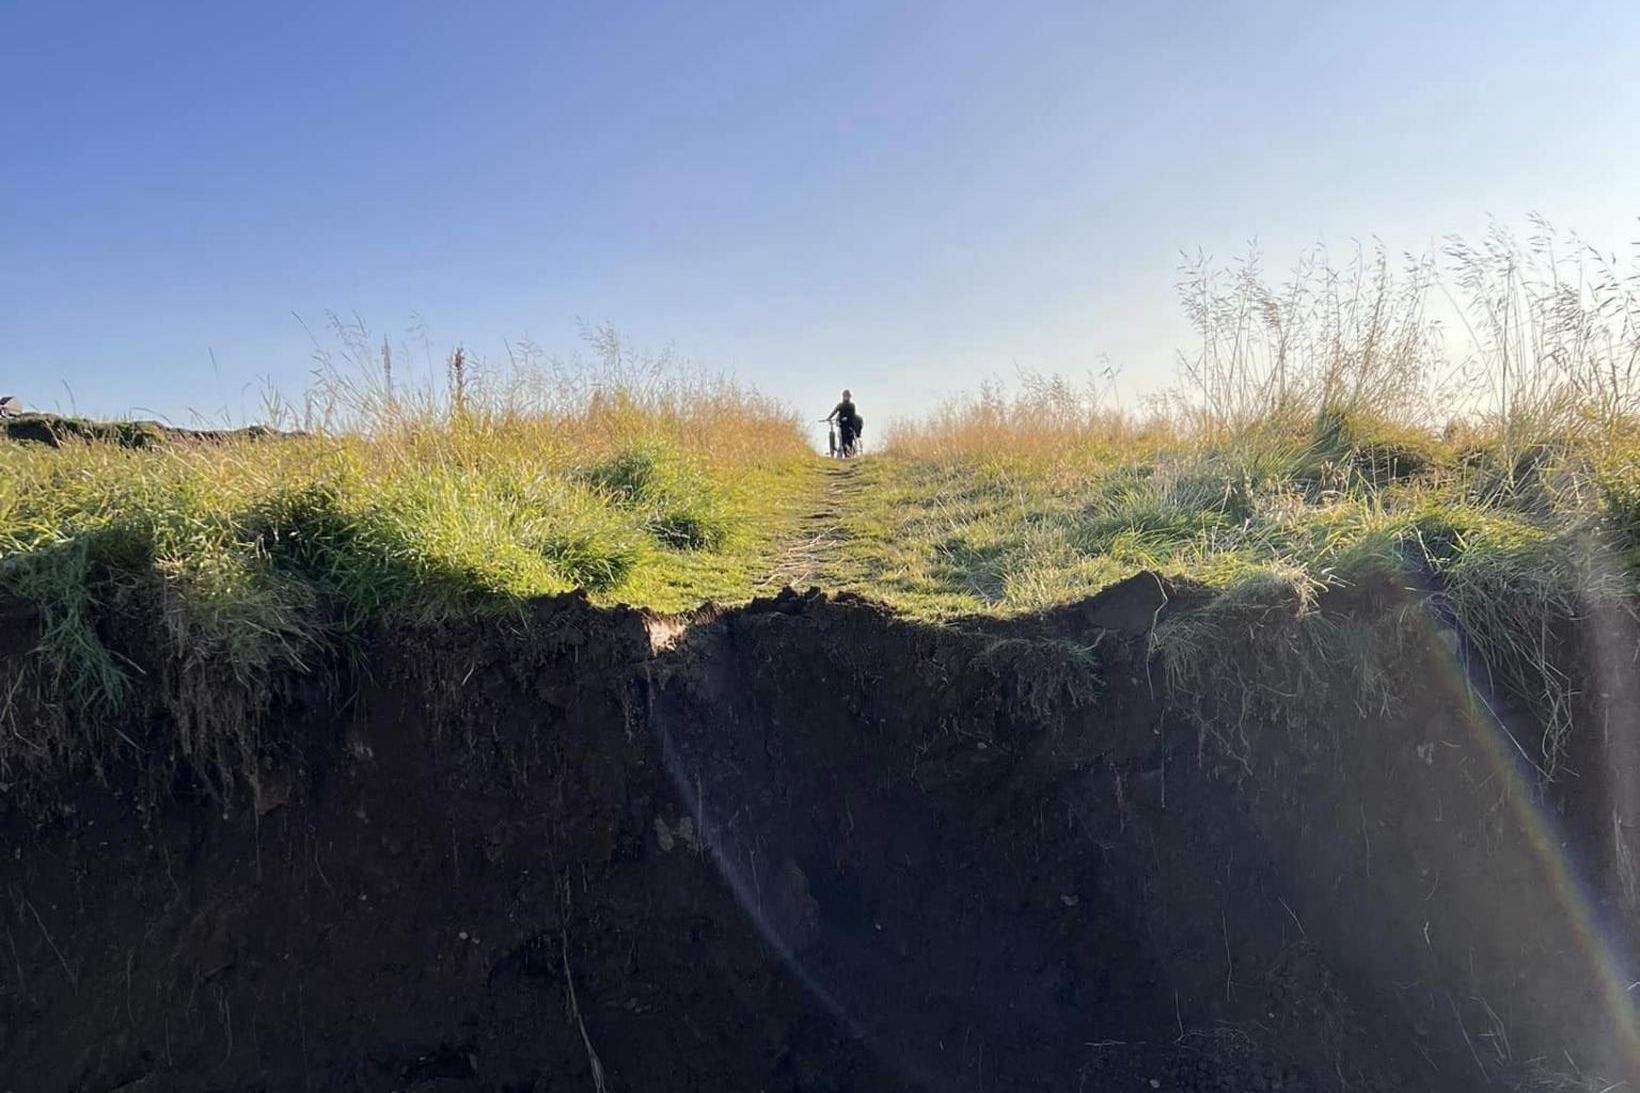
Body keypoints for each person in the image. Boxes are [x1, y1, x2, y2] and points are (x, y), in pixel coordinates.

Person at [826, 389, 861, 457]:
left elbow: (852, 415)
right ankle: (846, 452)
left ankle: (849, 452)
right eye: (845, 396)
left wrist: (846, 418)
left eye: (847, 396)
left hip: (850, 424)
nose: (846, 397)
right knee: (843, 439)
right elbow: (834, 412)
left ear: (849, 397)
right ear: (843, 396)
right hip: (843, 425)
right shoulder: (840, 405)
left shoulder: (852, 405)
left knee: (849, 439)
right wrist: (829, 418)